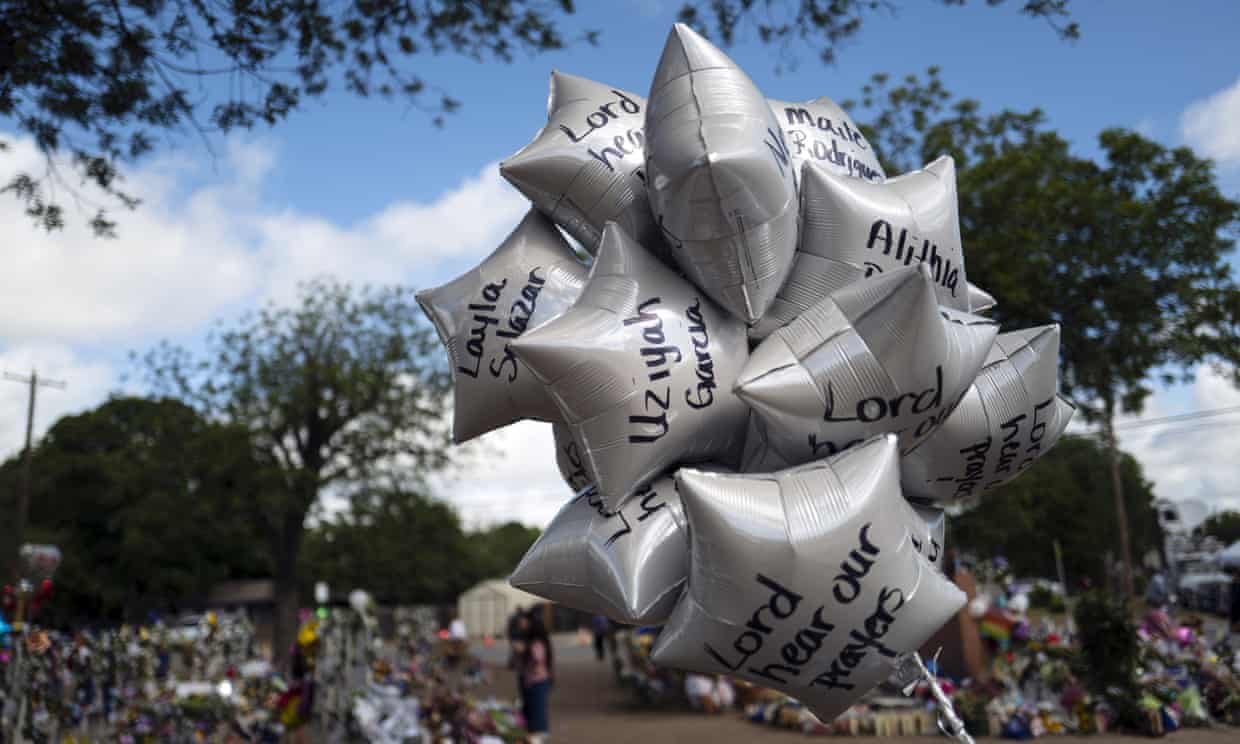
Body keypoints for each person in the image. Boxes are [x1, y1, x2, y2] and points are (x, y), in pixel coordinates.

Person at [518, 611, 553, 742]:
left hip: (537, 680)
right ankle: (535, 735)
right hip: (531, 680)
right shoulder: (528, 638)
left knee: (537, 712)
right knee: (532, 711)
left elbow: (537, 659)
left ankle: (538, 737)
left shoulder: (536, 641)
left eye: (523, 621)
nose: (521, 624)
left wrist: (524, 650)